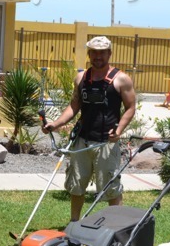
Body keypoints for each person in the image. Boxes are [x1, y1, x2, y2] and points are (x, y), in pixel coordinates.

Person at [43, 36, 136, 222]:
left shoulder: (121, 79)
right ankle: (74, 223)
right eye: (94, 52)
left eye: (102, 52)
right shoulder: (81, 78)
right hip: (82, 141)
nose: (98, 56)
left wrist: (119, 131)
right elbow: (73, 107)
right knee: (76, 185)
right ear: (89, 54)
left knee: (111, 187)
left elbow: (131, 107)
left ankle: (115, 228)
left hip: (106, 144)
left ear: (109, 53)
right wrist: (56, 124)